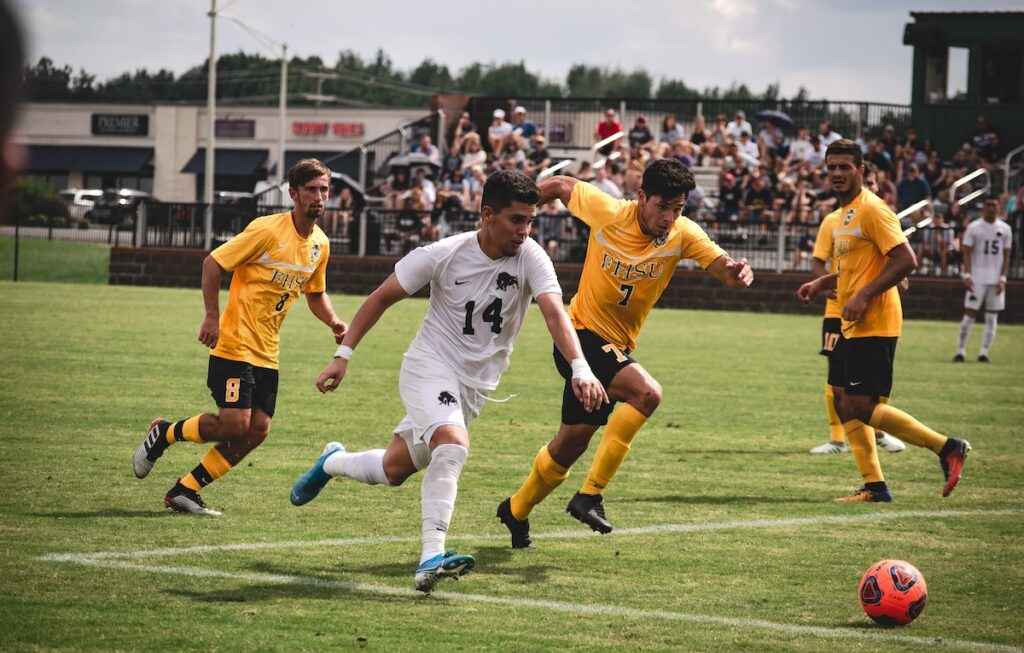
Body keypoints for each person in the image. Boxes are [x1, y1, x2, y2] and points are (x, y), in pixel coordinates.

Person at [289, 170, 607, 592]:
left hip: (475, 387)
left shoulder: (531, 256)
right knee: (453, 446)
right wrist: (342, 356)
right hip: (430, 367)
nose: (525, 231)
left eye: (530, 221)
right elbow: (381, 297)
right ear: (486, 214)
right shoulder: (443, 253)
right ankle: (431, 559)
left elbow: (554, 312)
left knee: (395, 468)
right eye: (516, 220)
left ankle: (332, 461)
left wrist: (580, 366)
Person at [497, 159, 753, 547]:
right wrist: (521, 216)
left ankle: (515, 510)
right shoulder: (610, 212)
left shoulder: (682, 234)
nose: (669, 217)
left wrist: (735, 272)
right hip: (579, 337)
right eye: (662, 207)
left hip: (615, 348)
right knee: (646, 393)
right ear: (641, 197)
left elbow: (720, 266)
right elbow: (562, 185)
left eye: (678, 209)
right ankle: (590, 495)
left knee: (569, 445)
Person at [132, 159, 347, 516]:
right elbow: (213, 264)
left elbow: (315, 293)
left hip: (268, 351)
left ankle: (185, 490)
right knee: (234, 424)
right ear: (293, 193)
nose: (319, 197)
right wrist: (212, 316)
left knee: (258, 429)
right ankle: (165, 433)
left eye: (324, 190)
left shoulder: (320, 245)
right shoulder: (266, 230)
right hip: (234, 343)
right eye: (311, 189)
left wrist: (334, 322)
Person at [796, 140, 971, 503]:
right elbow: (852, 271)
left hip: (876, 322)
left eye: (845, 167)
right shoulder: (844, 215)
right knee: (844, 401)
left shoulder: (873, 210)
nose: (838, 174)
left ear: (862, 169)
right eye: (832, 167)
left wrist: (862, 296)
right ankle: (874, 486)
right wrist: (821, 283)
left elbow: (906, 260)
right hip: (851, 324)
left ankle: (947, 447)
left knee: (861, 405)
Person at [807, 164, 905, 455]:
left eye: (875, 183)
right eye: (869, 182)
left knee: (869, 384)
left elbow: (899, 262)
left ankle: (878, 433)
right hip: (837, 310)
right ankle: (837, 439)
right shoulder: (833, 220)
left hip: (872, 312)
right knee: (836, 377)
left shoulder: (879, 216)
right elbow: (818, 260)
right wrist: (824, 284)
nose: (871, 188)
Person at [954, 197, 1012, 363]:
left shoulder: (1006, 229)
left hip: (995, 279)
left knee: (992, 317)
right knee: (969, 315)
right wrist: (967, 275)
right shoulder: (974, 227)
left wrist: (1003, 277)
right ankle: (960, 350)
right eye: (988, 205)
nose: (991, 208)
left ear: (999, 207)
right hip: (977, 278)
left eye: (994, 205)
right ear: (983, 208)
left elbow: (1007, 255)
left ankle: (984, 352)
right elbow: (966, 252)